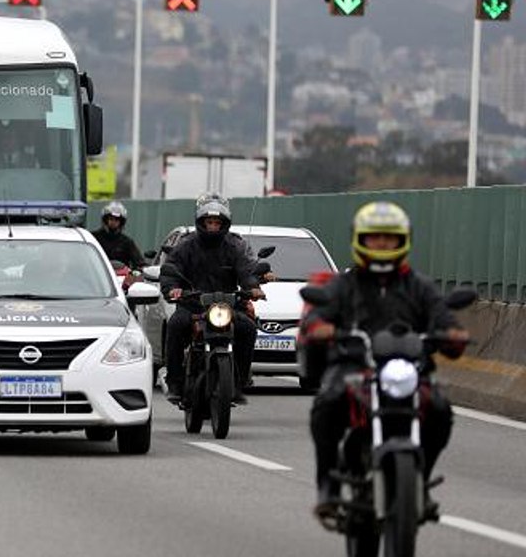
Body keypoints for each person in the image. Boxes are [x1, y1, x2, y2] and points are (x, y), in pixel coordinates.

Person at [300, 202, 469, 522]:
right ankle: (328, 486)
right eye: (374, 237)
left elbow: (443, 317)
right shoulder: (345, 283)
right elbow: (317, 316)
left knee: (440, 409)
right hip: (353, 366)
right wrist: (321, 327)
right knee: (327, 403)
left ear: (402, 240)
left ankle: (420, 483)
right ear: (359, 240)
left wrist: (453, 333)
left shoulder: (419, 285)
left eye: (388, 238)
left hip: (408, 370)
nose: (381, 244)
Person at [159, 193, 263, 405]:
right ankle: (175, 382)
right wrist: (172, 289)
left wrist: (253, 287)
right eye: (209, 222)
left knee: (248, 329)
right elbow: (170, 269)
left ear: (224, 224)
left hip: (227, 305)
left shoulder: (235, 246)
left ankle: (239, 381)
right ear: (201, 222)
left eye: (217, 223)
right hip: (193, 305)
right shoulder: (186, 245)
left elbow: (246, 270)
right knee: (175, 325)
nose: (213, 227)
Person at [92, 200, 145, 269]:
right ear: (106, 220)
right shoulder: (94, 238)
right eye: (111, 219)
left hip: (121, 278)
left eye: (116, 220)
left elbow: (139, 263)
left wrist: (140, 270)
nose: (113, 222)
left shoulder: (127, 242)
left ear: (121, 222)